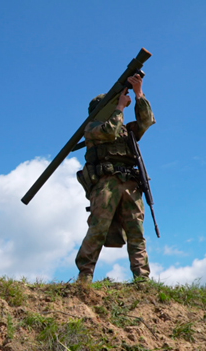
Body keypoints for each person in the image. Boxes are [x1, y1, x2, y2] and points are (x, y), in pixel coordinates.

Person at [75, 73, 156, 284]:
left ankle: (142, 279)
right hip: (106, 183)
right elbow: (109, 132)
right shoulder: (92, 129)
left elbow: (146, 121)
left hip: (131, 184)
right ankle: (85, 275)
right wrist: (119, 107)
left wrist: (139, 94)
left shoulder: (127, 131)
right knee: (98, 228)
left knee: (136, 231)